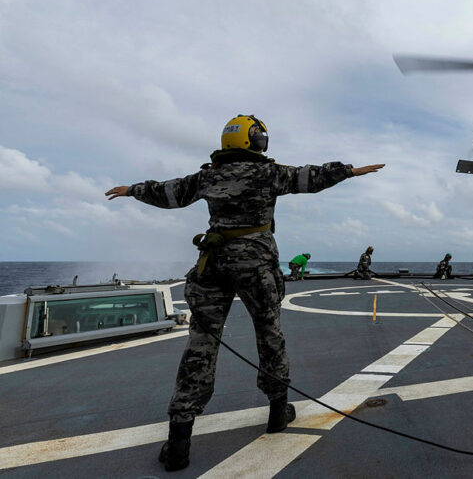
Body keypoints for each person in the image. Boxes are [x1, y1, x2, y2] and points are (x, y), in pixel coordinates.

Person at [105, 114, 383, 472]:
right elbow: (310, 177)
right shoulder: (268, 173)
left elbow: (168, 193)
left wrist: (133, 190)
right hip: (257, 265)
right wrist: (348, 170)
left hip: (214, 264)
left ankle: (178, 440)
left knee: (201, 343)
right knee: (270, 335)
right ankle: (277, 410)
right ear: (256, 141)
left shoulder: (208, 176)